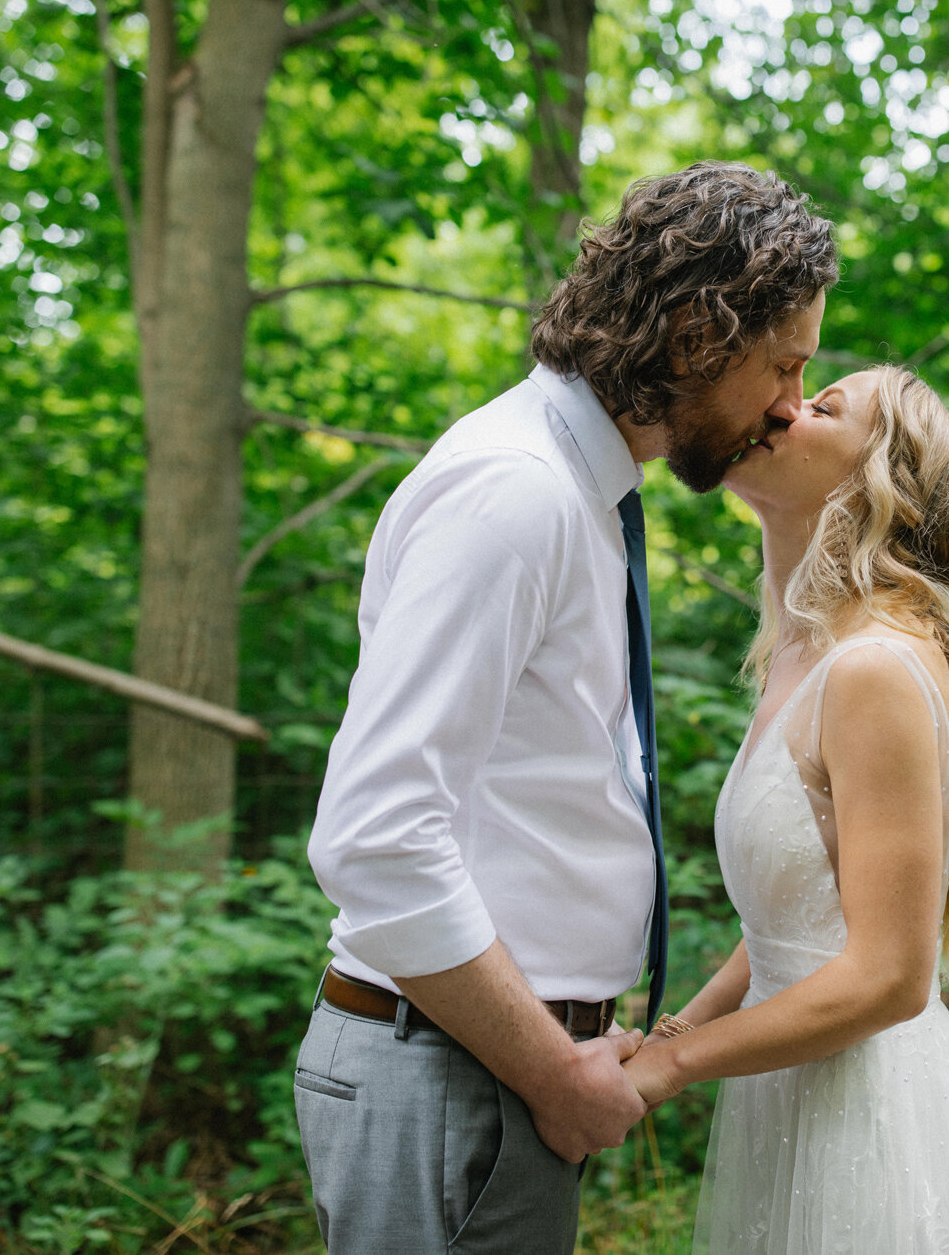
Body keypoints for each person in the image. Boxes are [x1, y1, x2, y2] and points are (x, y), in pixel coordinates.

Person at [293, 161, 839, 1254]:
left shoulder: (577, 491)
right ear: (695, 335)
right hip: (454, 1074)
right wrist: (554, 1074)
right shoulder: (516, 493)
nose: (789, 404)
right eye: (781, 365)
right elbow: (376, 837)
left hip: (482, 1072)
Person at [620, 365, 949, 1253]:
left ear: (882, 484)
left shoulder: (873, 669)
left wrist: (669, 1069)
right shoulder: (803, 656)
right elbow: (803, 913)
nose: (787, 404)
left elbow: (890, 977)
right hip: (785, 1095)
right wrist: (675, 1029)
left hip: (865, 1120)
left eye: (826, 407)